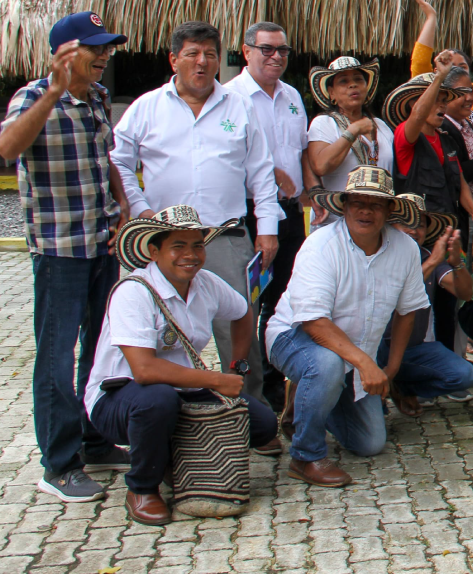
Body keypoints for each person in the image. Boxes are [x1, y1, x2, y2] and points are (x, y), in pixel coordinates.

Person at [112, 21, 280, 402]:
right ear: (174, 59)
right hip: (163, 238)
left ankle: (247, 411)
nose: (201, 63)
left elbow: (260, 171)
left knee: (239, 325)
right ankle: (163, 414)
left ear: (219, 60)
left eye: (209, 54)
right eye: (192, 54)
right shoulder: (146, 107)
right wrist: (140, 211)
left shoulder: (238, 106)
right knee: (155, 327)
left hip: (226, 236)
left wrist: (267, 227)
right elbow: (118, 160)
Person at [0, 12, 130, 502]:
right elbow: (8, 147)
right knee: (56, 358)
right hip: (59, 253)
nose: (103, 57)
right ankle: (58, 465)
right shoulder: (33, 97)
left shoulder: (97, 98)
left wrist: (120, 206)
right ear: (63, 53)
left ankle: (94, 441)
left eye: (106, 49)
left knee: (98, 350)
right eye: (95, 49)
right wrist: (53, 93)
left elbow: (106, 158)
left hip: (102, 244)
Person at [86, 206, 281, 525]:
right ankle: (142, 487)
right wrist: (216, 380)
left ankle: (172, 456)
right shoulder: (133, 292)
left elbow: (243, 312)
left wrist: (237, 364)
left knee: (260, 424)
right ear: (154, 251)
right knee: (157, 402)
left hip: (183, 391)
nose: (190, 255)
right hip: (120, 398)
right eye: (178, 246)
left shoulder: (206, 282)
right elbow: (144, 371)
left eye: (197, 245)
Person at [266, 167, 429, 488]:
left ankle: (307, 402)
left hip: (352, 353)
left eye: (376, 203)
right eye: (357, 202)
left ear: (390, 210)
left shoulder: (406, 249)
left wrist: (391, 368)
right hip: (293, 335)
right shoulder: (320, 245)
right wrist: (366, 363)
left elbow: (407, 310)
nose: (365, 210)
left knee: (370, 443)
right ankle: (305, 456)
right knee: (325, 364)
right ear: (344, 206)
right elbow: (314, 322)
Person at [227, 21, 312, 407]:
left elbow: (300, 152)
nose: (276, 56)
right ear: (246, 52)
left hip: (290, 214)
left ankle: (278, 382)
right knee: (249, 302)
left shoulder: (293, 95)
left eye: (282, 50)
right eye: (267, 49)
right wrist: (268, 172)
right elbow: (224, 158)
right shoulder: (229, 97)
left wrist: (309, 191)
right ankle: (249, 390)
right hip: (248, 214)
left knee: (283, 299)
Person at [383, 194, 473, 417]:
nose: (413, 230)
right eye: (405, 222)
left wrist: (457, 264)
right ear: (389, 225)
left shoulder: (427, 255)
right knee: (372, 433)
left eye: (420, 223)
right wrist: (432, 263)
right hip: (376, 349)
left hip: (415, 349)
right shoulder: (377, 254)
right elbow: (395, 297)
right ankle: (382, 389)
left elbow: (465, 292)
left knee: (464, 374)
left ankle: (402, 388)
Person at [382, 62, 473, 223]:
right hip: (417, 230)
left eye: (444, 100)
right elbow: (418, 116)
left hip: (450, 228)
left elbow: (461, 184)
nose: (442, 105)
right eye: (434, 100)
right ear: (414, 104)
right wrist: (440, 77)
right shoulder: (405, 135)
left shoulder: (447, 139)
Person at [307, 57, 392, 227]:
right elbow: (321, 166)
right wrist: (353, 131)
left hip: (376, 221)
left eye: (358, 79)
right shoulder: (324, 123)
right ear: (331, 93)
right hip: (335, 222)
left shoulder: (382, 127)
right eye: (343, 81)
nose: (352, 85)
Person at [407, 0, 473, 111]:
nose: (456, 70)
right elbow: (420, 61)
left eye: (462, 67)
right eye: (450, 67)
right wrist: (431, 17)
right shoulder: (432, 89)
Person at [438, 66, 473, 214]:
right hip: (464, 214)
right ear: (445, 95)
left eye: (470, 90)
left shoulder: (466, 123)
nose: (469, 98)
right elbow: (457, 173)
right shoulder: (443, 127)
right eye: (462, 93)